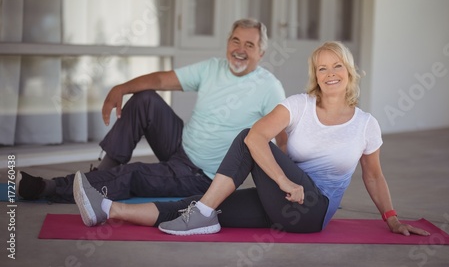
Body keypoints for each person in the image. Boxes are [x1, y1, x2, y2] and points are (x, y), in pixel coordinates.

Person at [73, 41, 430, 237]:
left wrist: (392, 218)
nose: (330, 73)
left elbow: (373, 175)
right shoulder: (298, 105)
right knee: (203, 203)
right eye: (322, 68)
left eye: (337, 66)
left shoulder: (366, 124)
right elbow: (264, 139)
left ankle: (202, 212)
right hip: (283, 198)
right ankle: (108, 210)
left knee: (246, 136)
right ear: (315, 76)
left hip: (312, 211)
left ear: (349, 71)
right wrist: (283, 180)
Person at [16, 18, 286, 203]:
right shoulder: (212, 68)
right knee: (145, 98)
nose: (239, 50)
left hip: (202, 177)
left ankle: (49, 187)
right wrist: (120, 88)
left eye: (249, 45)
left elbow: (282, 134)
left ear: (261, 53)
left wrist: (290, 180)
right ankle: (104, 169)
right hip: (180, 147)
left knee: (134, 174)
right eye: (235, 41)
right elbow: (159, 81)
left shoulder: (268, 88)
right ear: (228, 43)